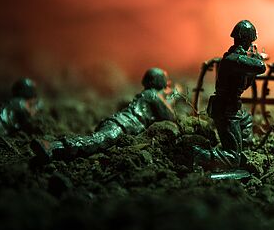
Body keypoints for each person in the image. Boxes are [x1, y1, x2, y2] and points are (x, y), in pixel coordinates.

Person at [32, 68, 177, 161]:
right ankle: (53, 146)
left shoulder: (149, 95)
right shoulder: (152, 94)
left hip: (121, 125)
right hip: (121, 126)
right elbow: (169, 116)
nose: (166, 80)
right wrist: (172, 95)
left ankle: (55, 147)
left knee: (96, 141)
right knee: (95, 141)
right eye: (164, 78)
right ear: (158, 80)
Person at [192, 20, 267, 169]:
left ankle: (239, 150)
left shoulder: (238, 59)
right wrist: (257, 57)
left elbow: (247, 80)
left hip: (232, 108)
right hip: (225, 110)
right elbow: (260, 67)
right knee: (233, 158)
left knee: (246, 121)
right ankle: (196, 155)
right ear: (246, 40)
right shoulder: (234, 59)